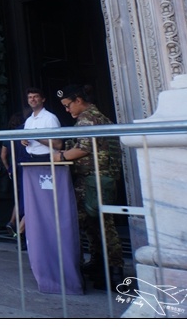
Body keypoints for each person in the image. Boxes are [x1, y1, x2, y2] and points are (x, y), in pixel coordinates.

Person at [52, 84, 124, 289]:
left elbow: (83, 149)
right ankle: (100, 264)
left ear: (78, 100)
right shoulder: (98, 117)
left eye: (68, 105)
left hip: (95, 180)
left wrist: (60, 157)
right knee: (93, 224)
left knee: (101, 224)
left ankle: (113, 271)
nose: (67, 110)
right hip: (95, 179)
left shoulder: (88, 119)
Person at [0, 110, 30, 239]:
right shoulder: (27, 131)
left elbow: (3, 156)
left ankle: (13, 222)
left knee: (20, 197)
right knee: (28, 196)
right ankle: (19, 227)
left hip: (15, 168)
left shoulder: (10, 136)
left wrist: (9, 169)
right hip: (28, 167)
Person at [20, 87, 62, 160]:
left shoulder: (50, 118)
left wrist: (37, 138)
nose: (32, 99)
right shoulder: (28, 120)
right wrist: (24, 140)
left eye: (35, 96)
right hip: (30, 158)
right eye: (30, 97)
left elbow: (58, 144)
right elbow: (26, 139)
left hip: (47, 159)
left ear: (43, 99)